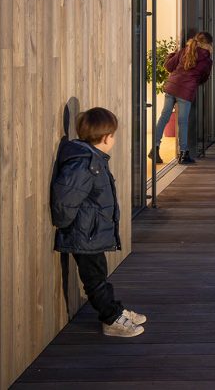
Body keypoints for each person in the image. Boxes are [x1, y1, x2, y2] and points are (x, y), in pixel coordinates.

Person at [50, 107, 147, 338]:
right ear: (105, 137)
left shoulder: (94, 159)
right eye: (113, 134)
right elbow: (66, 197)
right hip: (84, 235)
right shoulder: (85, 164)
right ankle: (111, 319)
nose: (114, 138)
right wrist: (67, 226)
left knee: (99, 275)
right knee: (94, 279)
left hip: (89, 233)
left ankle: (114, 309)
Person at [151, 31, 214, 165]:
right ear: (208, 44)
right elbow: (204, 78)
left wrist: (174, 53)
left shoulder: (185, 50)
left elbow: (168, 66)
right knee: (183, 122)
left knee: (164, 117)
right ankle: (183, 154)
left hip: (172, 87)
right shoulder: (207, 59)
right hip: (185, 92)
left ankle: (154, 148)